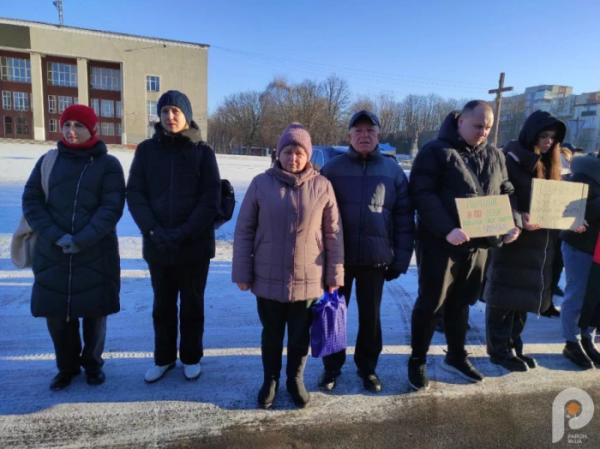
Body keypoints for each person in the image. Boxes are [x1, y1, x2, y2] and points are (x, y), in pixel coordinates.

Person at [408, 100, 520, 391]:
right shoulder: (436, 152)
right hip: (441, 244)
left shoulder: (495, 155)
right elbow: (422, 193)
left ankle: (456, 355)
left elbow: (505, 190)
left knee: (462, 303)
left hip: (479, 245)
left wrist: (512, 221)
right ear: (460, 121)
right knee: (431, 303)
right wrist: (446, 229)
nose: (483, 132)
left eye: (488, 127)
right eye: (478, 125)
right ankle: (417, 359)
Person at [232, 123, 344, 408]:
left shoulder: (322, 185)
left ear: (308, 155)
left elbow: (333, 233)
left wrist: (334, 275)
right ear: (278, 154)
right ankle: (270, 379)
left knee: (299, 336)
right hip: (267, 278)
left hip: (308, 279)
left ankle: (295, 379)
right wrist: (242, 272)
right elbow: (245, 229)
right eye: (287, 151)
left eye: (299, 152)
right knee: (271, 334)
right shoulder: (260, 184)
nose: (293, 158)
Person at [22, 104, 125, 390]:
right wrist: (55, 235)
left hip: (96, 251)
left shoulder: (108, 165)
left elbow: (111, 206)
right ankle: (66, 367)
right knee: (57, 314)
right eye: (66, 125)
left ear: (92, 129)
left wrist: (82, 238)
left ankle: (93, 364)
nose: (71, 131)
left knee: (94, 313)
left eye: (78, 125)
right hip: (53, 250)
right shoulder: (48, 161)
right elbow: (31, 200)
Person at [317, 110, 414, 393]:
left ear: (378, 136)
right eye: (358, 131)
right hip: (338, 259)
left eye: (369, 131)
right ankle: (331, 368)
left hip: (375, 258)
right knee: (333, 315)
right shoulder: (333, 169)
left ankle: (367, 368)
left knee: (371, 318)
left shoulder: (392, 171)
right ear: (349, 136)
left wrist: (401, 257)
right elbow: (317, 216)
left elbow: (404, 218)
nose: (364, 135)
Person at [127, 90, 221, 383]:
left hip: (193, 245)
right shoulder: (146, 151)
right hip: (158, 244)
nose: (170, 117)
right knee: (162, 306)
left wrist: (183, 232)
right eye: (165, 111)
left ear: (187, 116)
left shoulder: (203, 152)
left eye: (176, 111)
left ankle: (191, 357)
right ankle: (164, 358)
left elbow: (210, 198)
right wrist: (153, 229)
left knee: (192, 305)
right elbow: (135, 194)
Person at [484, 111, 582, 372]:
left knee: (524, 301)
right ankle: (498, 350)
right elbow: (498, 194)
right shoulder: (509, 158)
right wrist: (517, 218)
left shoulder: (552, 165)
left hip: (539, 244)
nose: (548, 141)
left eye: (552, 138)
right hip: (513, 240)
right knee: (504, 299)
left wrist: (572, 218)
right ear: (530, 134)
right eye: (543, 136)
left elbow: (557, 202)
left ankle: (514, 346)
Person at [559, 151, 600, 368]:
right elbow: (570, 209)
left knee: (595, 297)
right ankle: (571, 342)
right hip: (580, 246)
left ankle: (588, 338)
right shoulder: (585, 172)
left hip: (598, 250)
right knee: (578, 294)